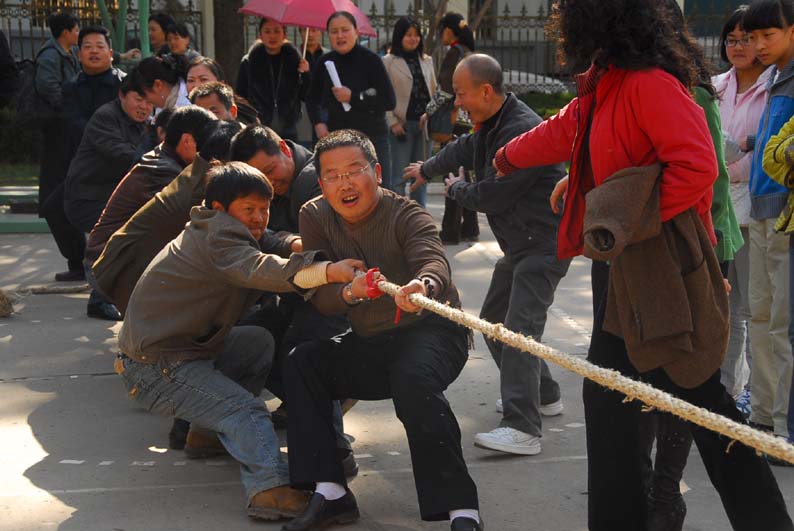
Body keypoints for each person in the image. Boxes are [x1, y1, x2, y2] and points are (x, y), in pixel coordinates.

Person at [491, 1, 794, 530]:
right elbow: (570, 127)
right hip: (626, 262)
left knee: (696, 397)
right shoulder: (609, 81)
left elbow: (697, 166)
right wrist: (507, 155)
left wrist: (633, 218)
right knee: (616, 396)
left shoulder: (647, 83)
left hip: (660, 264)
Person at [116, 161, 363, 521]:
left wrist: (302, 249)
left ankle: (206, 434)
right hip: (155, 367)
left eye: (264, 208)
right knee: (246, 410)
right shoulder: (218, 238)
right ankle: (269, 490)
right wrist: (327, 271)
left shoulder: (215, 227)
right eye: (249, 209)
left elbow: (268, 245)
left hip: (181, 351)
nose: (259, 217)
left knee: (257, 342)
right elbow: (263, 268)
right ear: (220, 207)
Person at [282, 129, 481, 531]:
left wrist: (422, 287)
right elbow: (320, 298)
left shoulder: (407, 214)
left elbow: (434, 262)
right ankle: (331, 492)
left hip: (433, 332)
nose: (344, 184)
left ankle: (462, 511)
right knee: (303, 363)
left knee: (413, 379)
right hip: (371, 340)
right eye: (332, 176)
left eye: (354, 171)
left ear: (376, 172)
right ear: (321, 182)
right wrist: (350, 293)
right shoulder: (314, 216)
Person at [404, 54, 569, 456]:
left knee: (518, 332)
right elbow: (464, 147)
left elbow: (492, 195)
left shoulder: (520, 130)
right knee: (494, 320)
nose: (457, 102)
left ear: (486, 91)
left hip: (543, 246)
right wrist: (428, 169)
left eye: (461, 94)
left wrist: (456, 188)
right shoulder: (492, 122)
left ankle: (522, 426)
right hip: (521, 245)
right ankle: (544, 394)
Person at [713, 4, 774, 412]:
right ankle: (723, 392)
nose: (738, 47)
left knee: (756, 309)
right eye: (732, 39)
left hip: (756, 210)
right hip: (719, 208)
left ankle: (756, 392)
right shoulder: (714, 86)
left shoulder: (775, 86)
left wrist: (732, 159)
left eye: (748, 39)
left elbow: (766, 148)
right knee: (724, 308)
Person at [743, 0, 794, 451]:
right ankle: (760, 415)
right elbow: (775, 139)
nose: (758, 45)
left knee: (782, 325)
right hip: (759, 210)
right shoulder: (774, 77)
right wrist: (749, 142)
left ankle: (783, 426)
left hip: (784, 217)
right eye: (751, 37)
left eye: (767, 35)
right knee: (758, 317)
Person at [85, 105, 218, 269]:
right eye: (207, 148)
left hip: (115, 258)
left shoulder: (164, 159)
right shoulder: (163, 172)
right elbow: (192, 223)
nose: (212, 157)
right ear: (187, 141)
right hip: (110, 264)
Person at [63, 75, 151, 320]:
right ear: (122, 95)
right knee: (119, 238)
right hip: (88, 199)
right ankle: (99, 300)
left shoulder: (145, 123)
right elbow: (122, 153)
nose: (144, 107)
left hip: (115, 199)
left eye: (149, 102)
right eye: (139, 99)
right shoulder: (106, 117)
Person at [306, 11, 397, 190]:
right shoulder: (325, 62)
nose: (340, 35)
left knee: (379, 190)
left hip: (372, 138)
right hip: (338, 139)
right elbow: (312, 99)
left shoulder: (371, 61)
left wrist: (353, 98)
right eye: (334, 31)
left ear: (356, 32)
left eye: (345, 30)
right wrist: (318, 123)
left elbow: (388, 101)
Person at [34, 11, 80, 281]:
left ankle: (82, 260)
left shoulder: (69, 54)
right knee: (55, 199)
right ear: (65, 32)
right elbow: (48, 88)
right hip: (58, 134)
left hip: (70, 133)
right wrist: (70, 110)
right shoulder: (51, 56)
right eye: (76, 29)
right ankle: (76, 259)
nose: (78, 34)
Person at [429, 12, 479, 244]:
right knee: (465, 172)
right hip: (467, 118)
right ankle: (470, 227)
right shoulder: (471, 54)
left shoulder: (454, 53)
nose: (441, 35)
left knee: (451, 171)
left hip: (452, 119)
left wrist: (427, 110)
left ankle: (450, 230)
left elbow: (445, 91)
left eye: (442, 31)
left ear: (449, 30)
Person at [383, 17, 436, 206]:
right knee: (399, 177)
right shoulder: (388, 61)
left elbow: (434, 91)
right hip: (401, 126)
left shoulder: (427, 60)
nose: (413, 39)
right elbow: (384, 94)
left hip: (424, 125)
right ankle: (397, 215)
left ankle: (418, 216)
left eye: (416, 35)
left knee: (421, 175)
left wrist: (430, 114)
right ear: (399, 36)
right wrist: (392, 122)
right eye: (408, 35)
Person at [236, 18, 309, 140]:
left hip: (288, 126)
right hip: (258, 126)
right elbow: (241, 96)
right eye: (267, 31)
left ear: (284, 34)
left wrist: (306, 73)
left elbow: (305, 94)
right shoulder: (249, 61)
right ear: (260, 35)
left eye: (277, 31)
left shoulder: (294, 60)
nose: (272, 36)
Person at [186, 57, 259, 125]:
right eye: (190, 80)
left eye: (203, 79)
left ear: (221, 83)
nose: (196, 85)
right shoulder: (185, 112)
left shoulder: (241, 116)